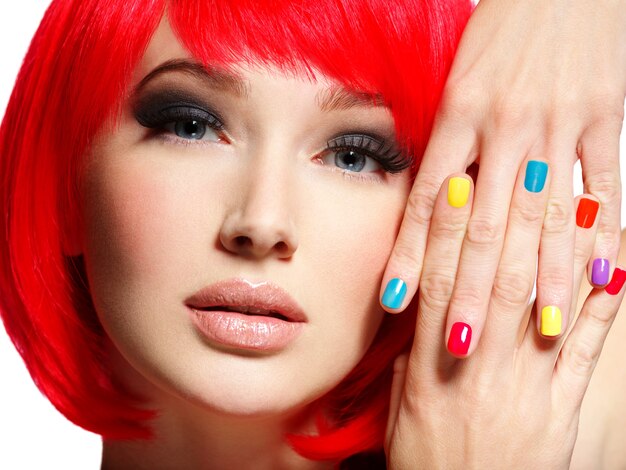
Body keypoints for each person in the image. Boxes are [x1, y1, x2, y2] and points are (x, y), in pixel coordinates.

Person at [0, 0, 624, 468]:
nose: (263, 223)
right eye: (190, 125)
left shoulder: (568, 409)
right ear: (67, 185)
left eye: (354, 155)